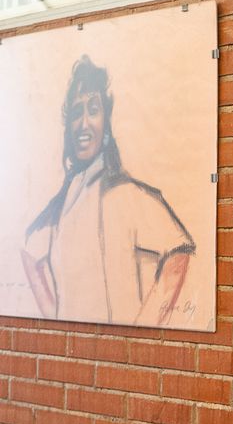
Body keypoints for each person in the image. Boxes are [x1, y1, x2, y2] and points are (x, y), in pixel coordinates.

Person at [21, 55, 194, 326]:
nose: (84, 123)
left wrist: (145, 324)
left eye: (93, 109)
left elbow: (178, 250)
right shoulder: (61, 205)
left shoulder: (124, 193)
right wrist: (55, 318)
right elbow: (29, 251)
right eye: (77, 112)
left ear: (106, 123)